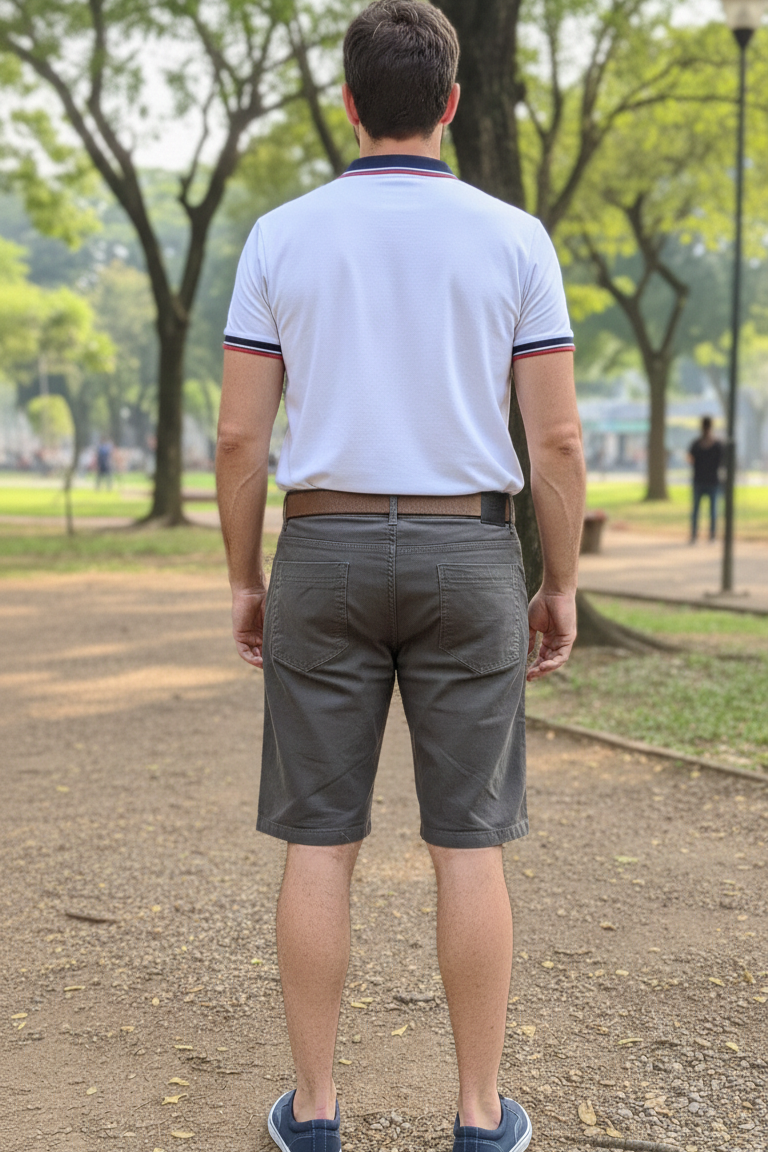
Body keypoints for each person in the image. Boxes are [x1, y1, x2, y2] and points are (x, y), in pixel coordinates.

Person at [215, 4, 585, 1152]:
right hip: (469, 555)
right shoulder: (516, 239)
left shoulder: (279, 236)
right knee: (466, 843)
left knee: (320, 841)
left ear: (349, 104)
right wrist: (559, 585)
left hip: (321, 552)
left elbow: (238, 438)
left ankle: (316, 1111)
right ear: (452, 105)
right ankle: (478, 1116)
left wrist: (245, 577)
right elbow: (557, 440)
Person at [688, 416, 722, 543]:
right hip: (710, 481)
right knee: (711, 511)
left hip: (702, 480)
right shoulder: (717, 444)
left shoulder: (697, 444)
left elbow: (690, 459)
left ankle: (696, 535)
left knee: (698, 511)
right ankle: (710, 535)